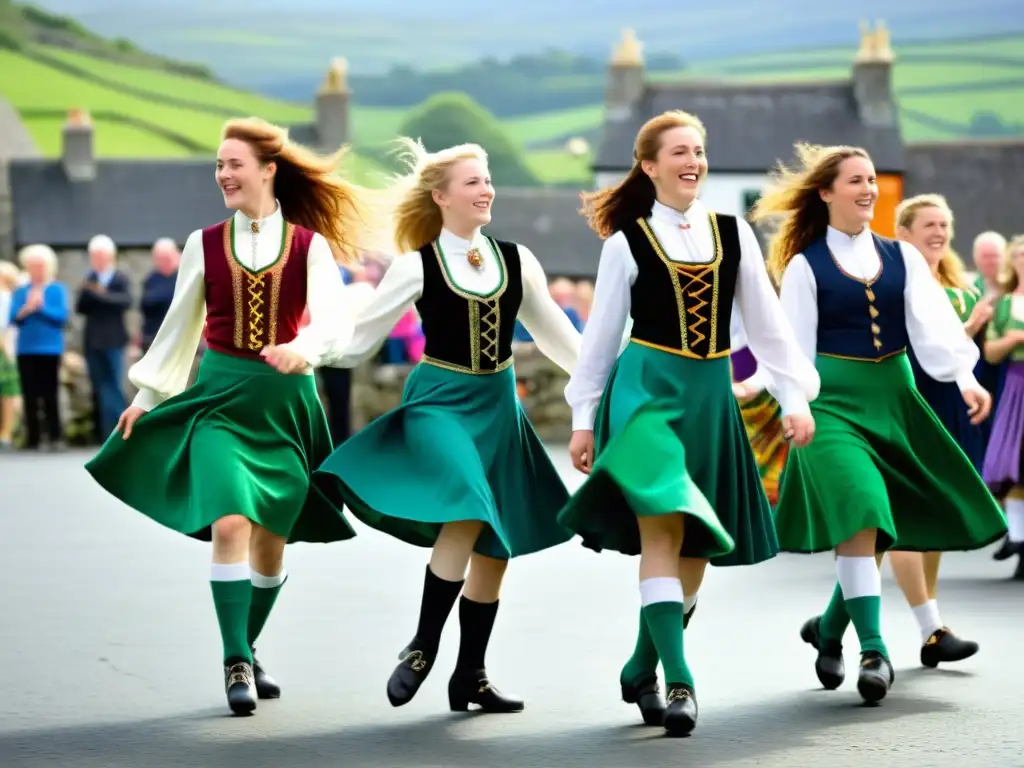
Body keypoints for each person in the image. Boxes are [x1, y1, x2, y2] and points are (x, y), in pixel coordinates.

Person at [84, 117, 384, 716]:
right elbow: (178, 331)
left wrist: (306, 349)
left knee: (272, 546)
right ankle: (236, 662)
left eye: (234, 164)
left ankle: (248, 642)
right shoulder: (202, 244)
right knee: (230, 526)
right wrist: (146, 398)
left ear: (268, 170)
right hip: (221, 401)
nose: (223, 175)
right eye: (218, 165)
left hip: (285, 409)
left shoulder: (309, 246)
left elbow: (333, 321)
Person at [557, 110, 819, 737]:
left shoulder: (735, 234)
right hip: (645, 393)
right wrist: (584, 417)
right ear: (649, 166)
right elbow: (599, 339)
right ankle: (680, 681)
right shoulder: (626, 243)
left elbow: (768, 327)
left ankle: (641, 662)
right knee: (663, 527)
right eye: (678, 151)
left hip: (709, 396)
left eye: (698, 150)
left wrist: (794, 398)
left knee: (694, 546)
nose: (692, 161)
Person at [312, 139, 582, 715]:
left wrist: (609, 386)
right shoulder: (417, 265)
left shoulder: (517, 260)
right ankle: (422, 645)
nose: (487, 190)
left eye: (487, 180)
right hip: (439, 400)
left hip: (498, 407)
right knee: (466, 506)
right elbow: (360, 340)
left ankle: (471, 678)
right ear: (441, 197)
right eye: (473, 182)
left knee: (495, 548)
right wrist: (303, 351)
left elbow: (560, 338)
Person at [748, 143, 1007, 705]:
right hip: (831, 404)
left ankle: (827, 626)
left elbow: (934, 327)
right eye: (855, 181)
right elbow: (791, 349)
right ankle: (874, 649)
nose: (867, 189)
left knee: (875, 526)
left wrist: (965, 378)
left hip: (895, 399)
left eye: (870, 180)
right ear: (826, 193)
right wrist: (793, 404)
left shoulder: (903, 257)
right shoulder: (803, 266)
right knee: (863, 509)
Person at [877, 193, 990, 665]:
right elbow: (927, 349)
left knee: (932, 515)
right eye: (928, 224)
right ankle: (933, 627)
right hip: (909, 401)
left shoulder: (957, 285)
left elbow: (958, 356)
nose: (939, 232)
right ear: (903, 234)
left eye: (944, 224)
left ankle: (832, 622)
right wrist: (970, 328)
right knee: (900, 521)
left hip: (948, 405)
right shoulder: (895, 282)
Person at [981, 234, 1024, 579]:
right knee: (1014, 462)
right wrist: (1011, 339)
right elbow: (991, 352)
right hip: (1016, 384)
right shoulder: (1005, 304)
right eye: (1019, 255)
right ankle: (1020, 541)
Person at [9, 245, 70, 451]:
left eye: (40, 266)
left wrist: (41, 307)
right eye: (32, 266)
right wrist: (26, 309)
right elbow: (13, 318)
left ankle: (55, 436)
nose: (36, 270)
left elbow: (61, 317)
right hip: (26, 349)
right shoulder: (20, 291)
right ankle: (33, 437)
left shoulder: (56, 289)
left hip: (50, 349)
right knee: (29, 394)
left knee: (50, 393)